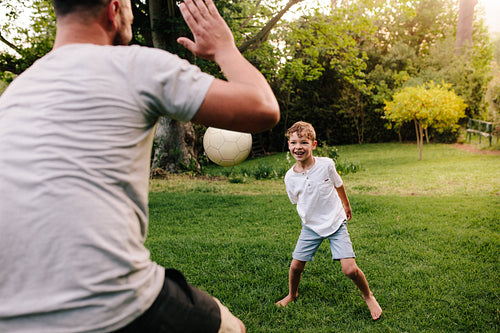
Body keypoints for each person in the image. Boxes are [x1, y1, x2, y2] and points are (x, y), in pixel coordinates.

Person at [0, 0, 279, 331]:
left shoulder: (15, 94)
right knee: (231, 328)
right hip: (108, 301)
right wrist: (224, 48)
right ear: (113, 9)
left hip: (10, 313)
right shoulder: (135, 66)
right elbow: (263, 108)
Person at [275, 121, 382, 321]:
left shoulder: (326, 165)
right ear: (288, 145)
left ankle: (368, 296)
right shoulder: (289, 178)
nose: (298, 147)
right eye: (293, 142)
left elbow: (338, 184)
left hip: (335, 221)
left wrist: (346, 205)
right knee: (296, 266)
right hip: (311, 226)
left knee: (349, 269)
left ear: (313, 145)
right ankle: (292, 294)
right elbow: (296, 200)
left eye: (304, 142)